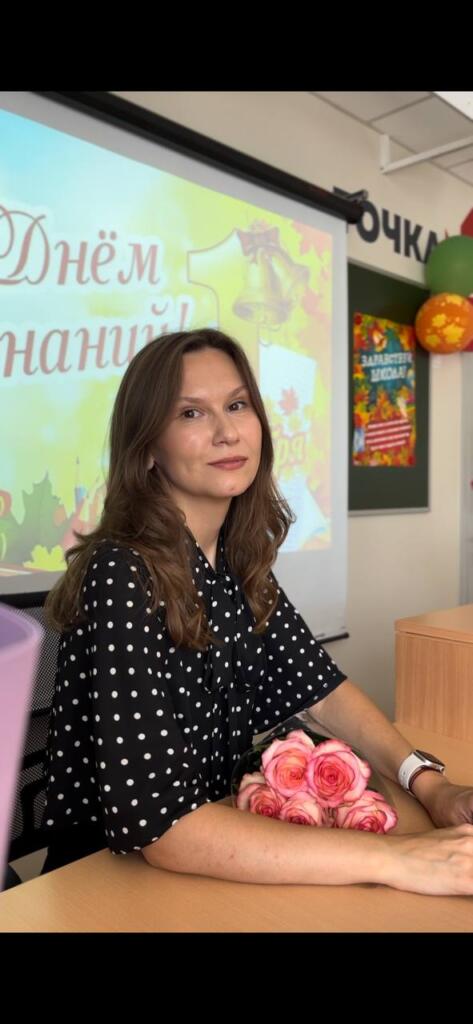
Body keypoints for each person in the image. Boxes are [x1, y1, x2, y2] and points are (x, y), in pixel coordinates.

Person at [42, 328, 473, 895]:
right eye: (191, 413)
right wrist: (399, 860)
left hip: (215, 849)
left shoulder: (233, 560)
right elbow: (163, 829)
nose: (227, 431)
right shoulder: (121, 572)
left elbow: (321, 692)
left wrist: (430, 785)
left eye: (237, 405)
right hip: (107, 880)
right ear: (147, 447)